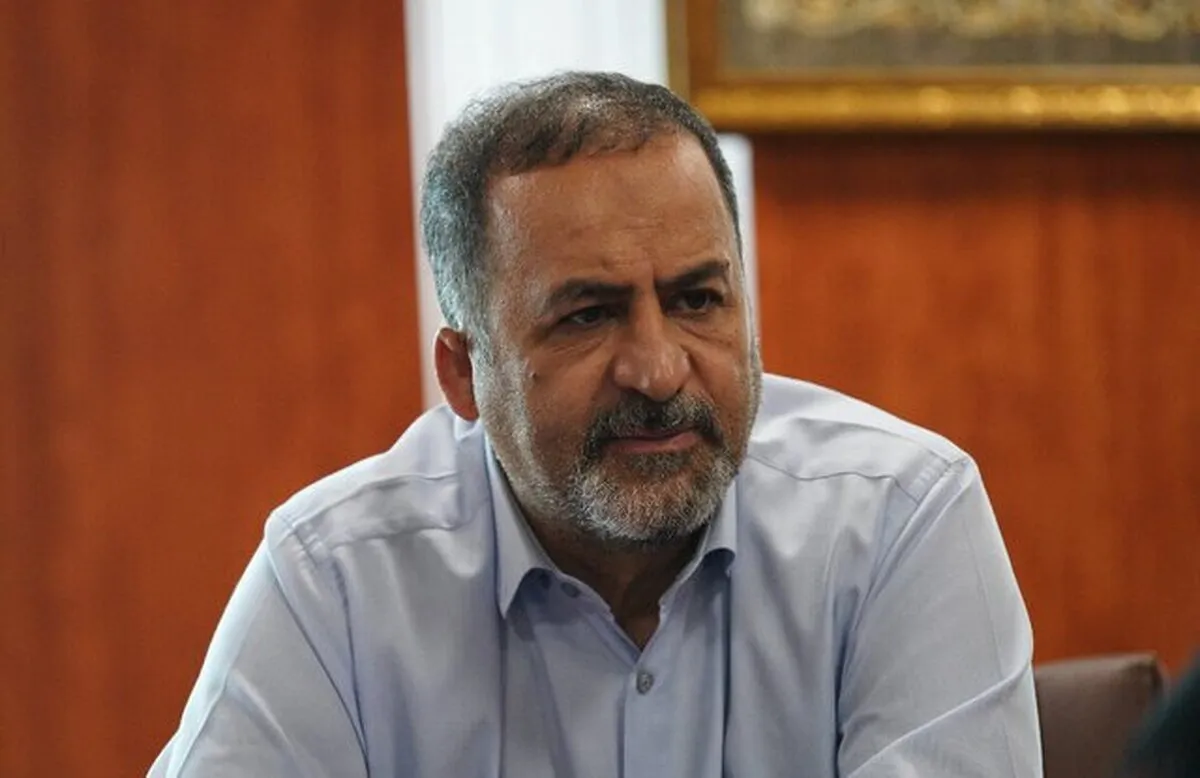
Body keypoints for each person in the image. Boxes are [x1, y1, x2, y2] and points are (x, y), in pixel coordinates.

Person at [149, 71, 1041, 777]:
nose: (657, 370)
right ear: (464, 374)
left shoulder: (897, 519)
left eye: (697, 300)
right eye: (588, 315)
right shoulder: (336, 580)